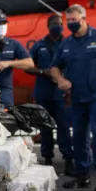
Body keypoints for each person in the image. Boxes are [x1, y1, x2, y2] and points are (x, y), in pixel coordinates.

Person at [47, 4, 96, 189]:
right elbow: (54, 67)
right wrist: (60, 79)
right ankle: (82, 176)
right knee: (79, 137)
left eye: (75, 20)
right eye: (69, 21)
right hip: (77, 98)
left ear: (84, 18)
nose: (71, 23)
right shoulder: (66, 44)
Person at [29, 14, 72, 171]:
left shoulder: (68, 43)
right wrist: (42, 72)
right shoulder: (39, 45)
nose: (58, 26)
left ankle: (68, 159)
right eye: (55, 23)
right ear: (48, 26)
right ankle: (47, 158)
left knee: (64, 126)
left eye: (60, 23)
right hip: (44, 91)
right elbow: (29, 66)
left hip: (61, 92)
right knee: (45, 126)